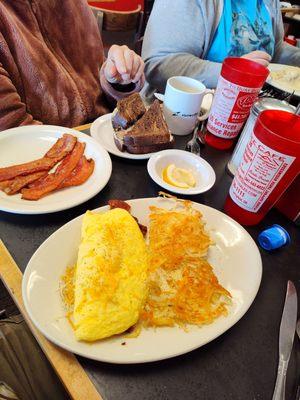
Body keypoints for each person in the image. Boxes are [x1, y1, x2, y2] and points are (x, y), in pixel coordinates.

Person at [0, 0, 144, 131]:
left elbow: (94, 79)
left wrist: (116, 80)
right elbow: (14, 131)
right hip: (49, 152)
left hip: (105, 134)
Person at [141, 0, 300, 101]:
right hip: (185, 119)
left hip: (252, 110)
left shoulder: (270, 2)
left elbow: (273, 49)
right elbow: (159, 65)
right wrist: (233, 73)